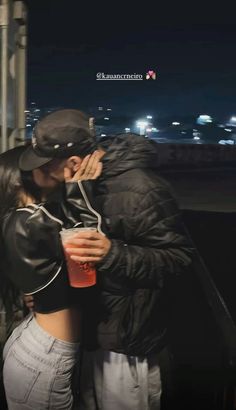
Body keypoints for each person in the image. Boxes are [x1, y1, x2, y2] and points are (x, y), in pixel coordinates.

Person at [19, 109, 194, 409]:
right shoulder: (81, 186)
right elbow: (74, 252)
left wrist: (112, 253)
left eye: (49, 168)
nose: (46, 177)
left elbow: (180, 260)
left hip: (125, 347)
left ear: (74, 162)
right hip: (91, 331)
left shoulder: (140, 189)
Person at [0, 114, 109, 410]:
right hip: (44, 354)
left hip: (39, 343)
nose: (41, 174)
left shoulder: (26, 221)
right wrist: (79, 191)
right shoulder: (28, 222)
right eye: (37, 171)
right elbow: (86, 250)